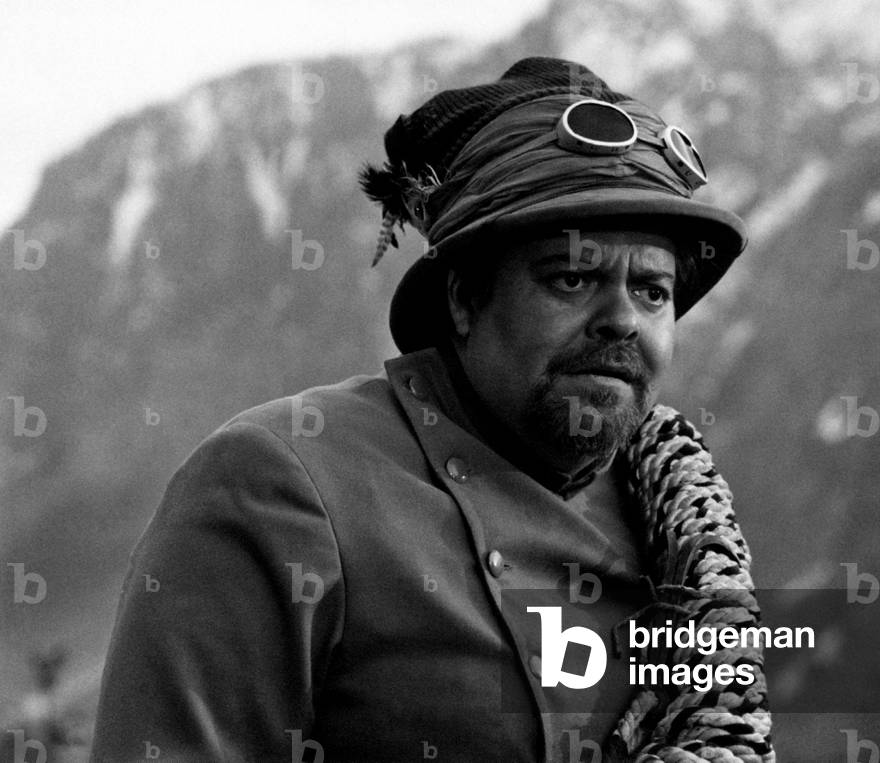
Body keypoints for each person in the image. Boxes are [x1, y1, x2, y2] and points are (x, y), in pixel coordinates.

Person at [91, 57, 774, 762]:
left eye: (653, 291)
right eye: (573, 277)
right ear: (463, 298)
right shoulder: (281, 484)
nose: (622, 320)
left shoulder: (677, 520)